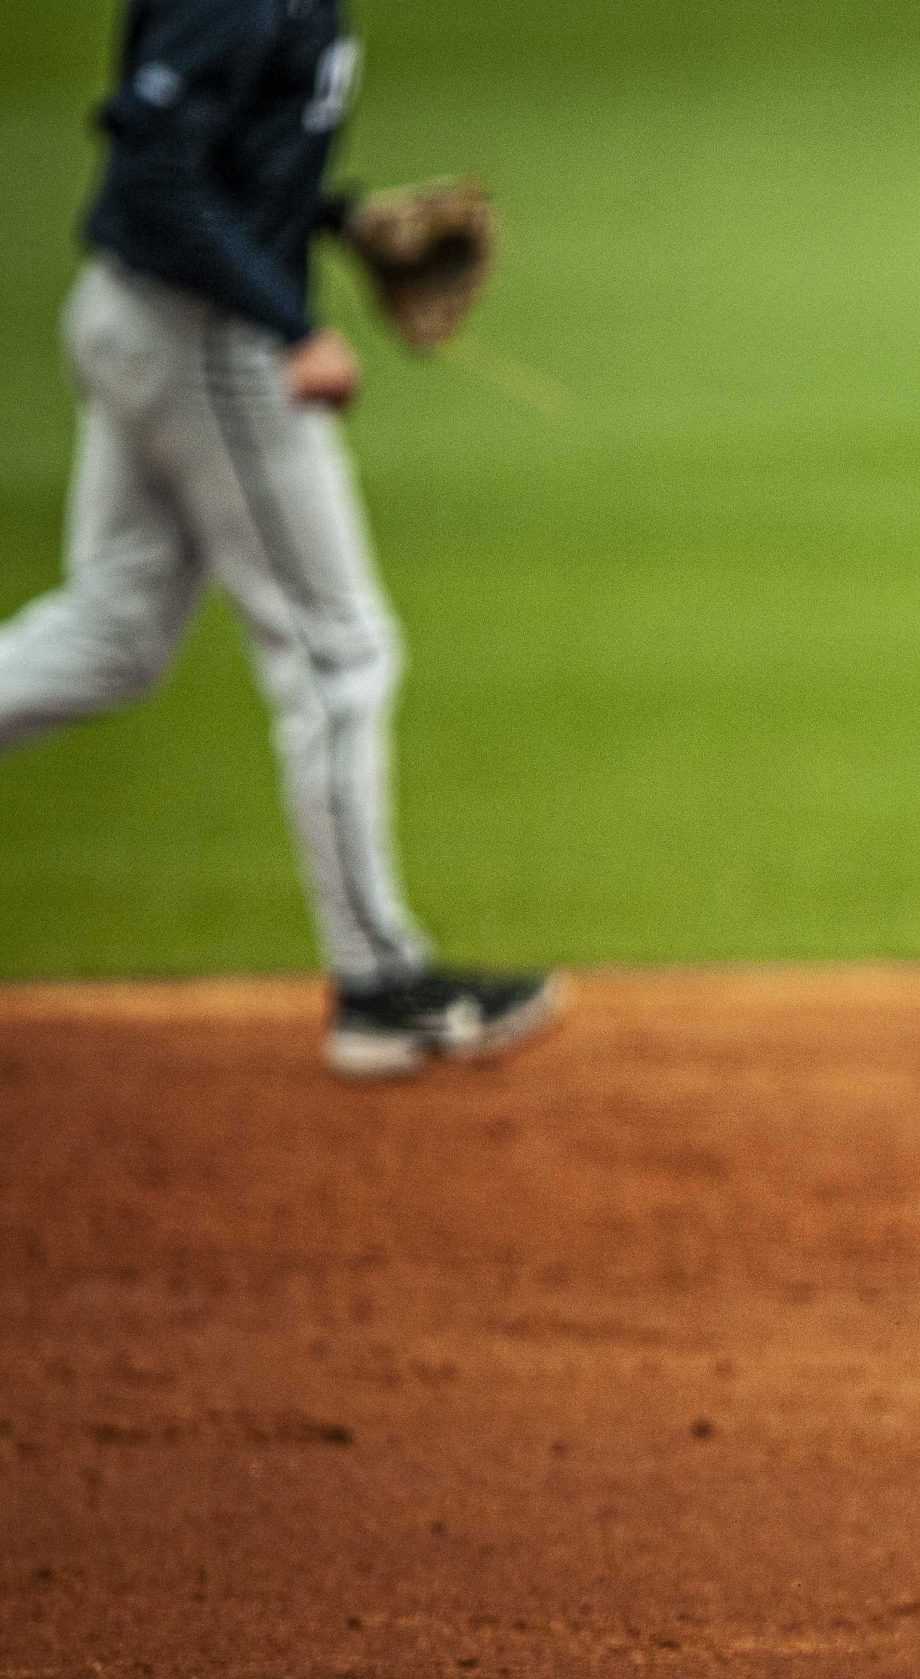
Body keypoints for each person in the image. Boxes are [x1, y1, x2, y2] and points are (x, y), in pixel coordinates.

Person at [0, 0, 555, 1079]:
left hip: (148, 316)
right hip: (203, 337)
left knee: (111, 633)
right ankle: (380, 985)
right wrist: (292, 319)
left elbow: (216, 149)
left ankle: (380, 977)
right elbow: (151, 176)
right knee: (340, 651)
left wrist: (330, 216)